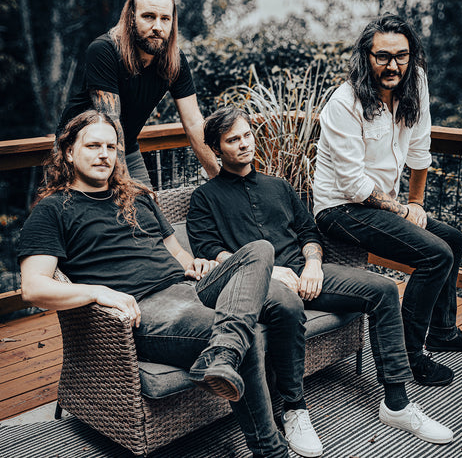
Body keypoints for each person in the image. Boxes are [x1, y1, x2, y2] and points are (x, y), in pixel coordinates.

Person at [18, 110, 290, 458]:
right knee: (245, 334)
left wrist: (194, 263)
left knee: (259, 250)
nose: (104, 154)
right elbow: (34, 287)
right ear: (69, 152)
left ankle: (224, 353)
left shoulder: (137, 197)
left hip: (189, 287)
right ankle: (270, 449)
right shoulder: (53, 210)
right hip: (147, 309)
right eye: (93, 146)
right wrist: (99, 292)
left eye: (111, 147)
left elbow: (176, 253)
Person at [186, 106, 454, 454]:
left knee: (384, 290)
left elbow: (308, 231)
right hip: (259, 285)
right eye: (232, 140)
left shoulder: (278, 186)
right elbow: (209, 250)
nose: (244, 144)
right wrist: (267, 270)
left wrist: (313, 264)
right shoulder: (204, 198)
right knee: (287, 304)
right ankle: (294, 409)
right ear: (216, 149)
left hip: (306, 272)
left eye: (247, 135)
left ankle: (397, 403)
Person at [313, 13, 462, 388]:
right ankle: (409, 357)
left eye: (401, 56)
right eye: (382, 56)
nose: (393, 66)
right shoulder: (344, 103)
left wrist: (417, 203)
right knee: (435, 254)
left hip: (383, 204)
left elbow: (420, 150)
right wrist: (403, 211)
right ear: (366, 56)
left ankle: (442, 332)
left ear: (411, 56)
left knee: (452, 240)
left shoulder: (416, 82)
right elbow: (353, 185)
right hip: (339, 208)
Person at [57, 0, 219, 188]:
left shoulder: (175, 61)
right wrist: (126, 188)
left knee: (148, 206)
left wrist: (219, 178)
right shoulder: (104, 50)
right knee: (104, 206)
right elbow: (111, 122)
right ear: (131, 17)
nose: (157, 27)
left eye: (165, 19)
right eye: (148, 16)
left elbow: (194, 122)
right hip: (82, 149)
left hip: (127, 146)